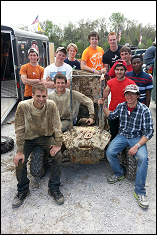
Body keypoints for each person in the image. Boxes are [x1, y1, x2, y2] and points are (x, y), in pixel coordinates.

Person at [98, 84, 154, 209]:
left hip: (137, 138)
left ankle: (140, 191)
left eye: (133, 94)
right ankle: (119, 173)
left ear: (138, 96)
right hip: (122, 136)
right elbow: (111, 116)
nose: (129, 96)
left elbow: (149, 132)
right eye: (127, 94)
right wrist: (103, 106)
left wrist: (137, 145)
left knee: (143, 159)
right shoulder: (121, 107)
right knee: (110, 152)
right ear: (125, 96)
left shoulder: (144, 110)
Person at [12, 83, 64, 208]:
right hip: (28, 138)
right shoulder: (23, 106)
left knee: (58, 156)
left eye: (44, 96)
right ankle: (23, 190)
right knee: (20, 161)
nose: (41, 99)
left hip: (46, 136)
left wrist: (58, 144)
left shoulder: (51, 105)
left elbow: (57, 125)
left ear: (47, 95)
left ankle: (53, 188)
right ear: (32, 95)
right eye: (38, 96)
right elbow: (19, 129)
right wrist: (19, 151)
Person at [99, 60, 136, 140]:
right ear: (114, 71)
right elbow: (104, 95)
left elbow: (135, 99)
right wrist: (101, 84)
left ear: (125, 71)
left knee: (126, 133)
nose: (119, 72)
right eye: (117, 70)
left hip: (126, 112)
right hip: (113, 111)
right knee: (114, 133)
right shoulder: (111, 82)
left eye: (121, 70)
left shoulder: (131, 83)